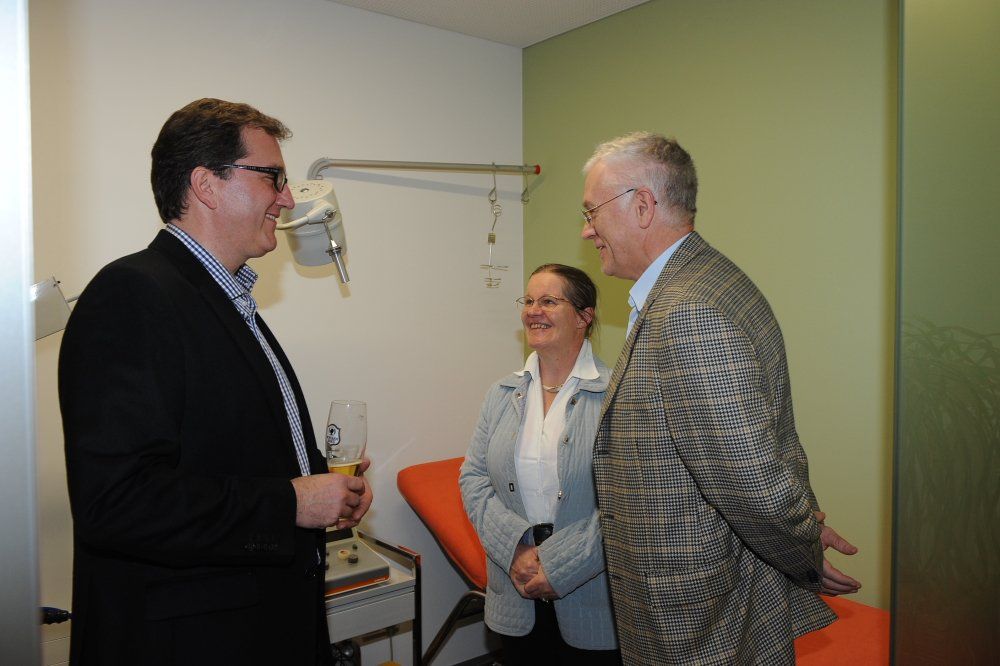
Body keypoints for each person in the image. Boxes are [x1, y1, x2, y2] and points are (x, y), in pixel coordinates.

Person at [58, 98, 372, 666]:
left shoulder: (228, 302)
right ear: (206, 184)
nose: (287, 198)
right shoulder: (132, 294)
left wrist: (324, 487)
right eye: (273, 177)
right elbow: (118, 502)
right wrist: (291, 502)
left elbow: (222, 454)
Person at [580, 132, 860, 664]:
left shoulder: (688, 310)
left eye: (592, 211)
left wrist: (802, 544)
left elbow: (750, 480)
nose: (587, 229)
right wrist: (803, 531)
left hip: (699, 616)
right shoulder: (709, 280)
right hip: (714, 595)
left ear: (642, 206)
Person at [460, 264, 621, 665]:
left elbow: (631, 501)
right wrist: (515, 550)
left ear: (584, 317)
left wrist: (559, 566)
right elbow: (473, 478)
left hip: (593, 596)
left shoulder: (617, 395)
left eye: (549, 301)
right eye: (529, 300)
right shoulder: (501, 394)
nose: (533, 310)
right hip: (515, 592)